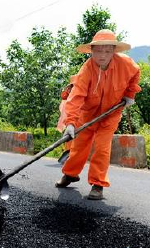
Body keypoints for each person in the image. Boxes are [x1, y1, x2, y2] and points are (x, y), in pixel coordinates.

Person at [55, 29, 141, 200]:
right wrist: (70, 122)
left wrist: (129, 94)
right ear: (92, 51)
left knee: (102, 147)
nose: (103, 55)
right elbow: (76, 96)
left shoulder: (127, 65)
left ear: (113, 51)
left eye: (108, 51)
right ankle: (70, 174)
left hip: (111, 112)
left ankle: (98, 184)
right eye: (99, 51)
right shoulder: (86, 70)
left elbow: (135, 75)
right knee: (79, 146)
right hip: (88, 113)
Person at [56, 75, 76, 164]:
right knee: (70, 137)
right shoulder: (69, 93)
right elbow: (63, 97)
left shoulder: (80, 91)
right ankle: (68, 154)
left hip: (77, 117)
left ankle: (71, 154)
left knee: (73, 138)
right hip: (70, 116)